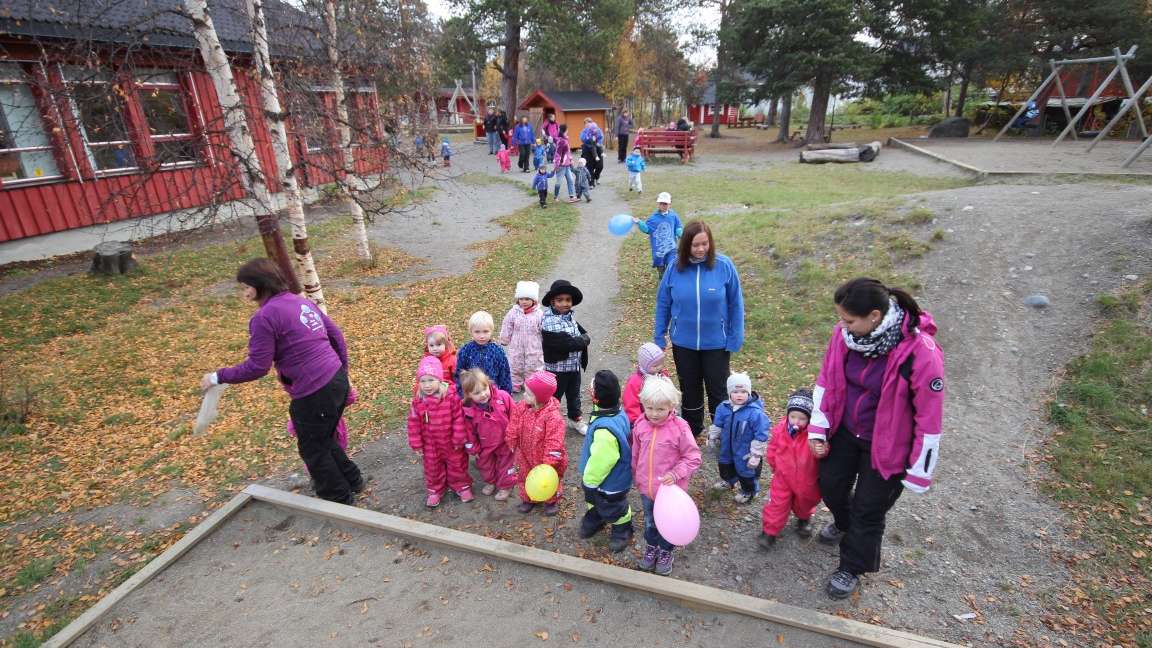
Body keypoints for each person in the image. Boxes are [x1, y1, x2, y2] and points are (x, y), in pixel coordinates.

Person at [808, 278, 945, 600]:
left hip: (887, 444)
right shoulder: (844, 336)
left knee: (869, 510)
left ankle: (852, 566)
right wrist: (819, 427)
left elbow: (929, 416)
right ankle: (845, 523)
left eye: (849, 320)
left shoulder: (921, 352)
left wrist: (920, 468)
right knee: (830, 484)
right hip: (845, 430)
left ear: (874, 316)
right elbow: (827, 380)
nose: (842, 326)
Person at [202, 259, 362, 505]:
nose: (245, 293)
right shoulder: (300, 302)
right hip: (335, 379)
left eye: (246, 287)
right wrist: (342, 372)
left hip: (314, 392)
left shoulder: (264, 317)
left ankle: (337, 498)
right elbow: (336, 336)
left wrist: (217, 376)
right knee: (323, 437)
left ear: (260, 285)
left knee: (313, 448)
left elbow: (258, 367)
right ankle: (353, 480)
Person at [653, 220, 744, 439]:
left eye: (705, 244)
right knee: (690, 388)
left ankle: (720, 431)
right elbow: (663, 303)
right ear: (686, 245)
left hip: (717, 343)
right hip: (683, 343)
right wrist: (659, 335)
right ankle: (692, 431)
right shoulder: (674, 268)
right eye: (695, 245)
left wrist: (735, 337)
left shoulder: (724, 266)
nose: (701, 249)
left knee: (717, 389)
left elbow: (736, 304)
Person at [631, 376, 701, 576]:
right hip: (647, 489)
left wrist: (676, 473)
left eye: (660, 409)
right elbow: (636, 453)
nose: (654, 414)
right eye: (650, 408)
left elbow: (693, 457)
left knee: (668, 523)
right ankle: (652, 547)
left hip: (670, 493)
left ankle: (665, 551)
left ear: (671, 406)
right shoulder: (640, 424)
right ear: (643, 404)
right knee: (650, 521)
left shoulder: (680, 428)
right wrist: (636, 475)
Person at [578, 370, 634, 553]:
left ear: (595, 398)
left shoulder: (604, 431)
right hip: (605, 480)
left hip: (609, 481)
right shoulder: (616, 412)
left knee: (614, 506)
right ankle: (597, 517)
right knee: (595, 501)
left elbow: (603, 461)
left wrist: (590, 482)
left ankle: (623, 529)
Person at [758, 389, 820, 549]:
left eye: (802, 418)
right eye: (793, 416)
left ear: (810, 418)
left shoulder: (814, 435)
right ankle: (769, 531)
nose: (796, 421)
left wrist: (822, 450)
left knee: (805, 501)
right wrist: (774, 465)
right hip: (783, 476)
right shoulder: (781, 429)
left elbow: (821, 454)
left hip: (807, 478)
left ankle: (804, 518)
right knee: (777, 503)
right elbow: (773, 448)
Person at [409, 357, 473, 507]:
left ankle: (461, 486)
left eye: (431, 380)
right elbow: (413, 422)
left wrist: (458, 438)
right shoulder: (418, 401)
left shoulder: (450, 397)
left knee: (457, 464)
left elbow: (459, 418)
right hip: (430, 444)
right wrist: (416, 443)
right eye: (423, 381)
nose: (427, 385)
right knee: (432, 467)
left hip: (451, 442)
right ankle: (435, 490)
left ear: (439, 379)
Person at [507, 371, 568, 516]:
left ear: (539, 398)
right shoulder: (522, 407)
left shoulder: (553, 417)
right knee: (524, 475)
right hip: (525, 453)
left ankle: (550, 500)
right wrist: (511, 439)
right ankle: (528, 498)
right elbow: (513, 423)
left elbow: (554, 442)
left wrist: (548, 464)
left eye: (528, 394)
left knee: (548, 480)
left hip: (544, 459)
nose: (523, 395)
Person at [707, 372, 769, 503]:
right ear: (729, 393)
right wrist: (713, 436)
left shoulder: (755, 413)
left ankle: (749, 491)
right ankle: (728, 480)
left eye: (743, 391)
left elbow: (761, 435)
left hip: (745, 452)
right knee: (725, 465)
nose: (739, 395)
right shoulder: (723, 408)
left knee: (747, 472)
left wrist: (756, 454)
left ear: (749, 392)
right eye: (735, 392)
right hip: (726, 447)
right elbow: (717, 424)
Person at [540, 279, 590, 435]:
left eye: (568, 300)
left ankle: (575, 418)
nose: (564, 304)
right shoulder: (549, 320)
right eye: (560, 300)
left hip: (573, 367)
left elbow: (582, 334)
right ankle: (548, 422)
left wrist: (582, 339)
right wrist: (583, 340)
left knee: (574, 395)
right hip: (557, 370)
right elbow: (566, 343)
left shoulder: (569, 317)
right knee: (554, 398)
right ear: (552, 302)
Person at [460, 368, 516, 501]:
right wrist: (473, 448)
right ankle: (491, 481)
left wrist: (514, 436)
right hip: (485, 445)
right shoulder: (468, 411)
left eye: (484, 388)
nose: (483, 394)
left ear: (488, 383)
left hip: (505, 441)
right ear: (468, 395)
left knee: (506, 464)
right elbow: (468, 432)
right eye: (477, 393)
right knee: (485, 465)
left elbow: (515, 416)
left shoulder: (503, 397)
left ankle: (505, 485)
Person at [499, 280, 544, 394]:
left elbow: (543, 329)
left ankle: (530, 384)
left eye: (527, 299)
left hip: (534, 346)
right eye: (521, 299)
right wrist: (505, 338)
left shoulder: (539, 314)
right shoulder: (514, 312)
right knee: (515, 365)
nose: (524, 302)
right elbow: (507, 325)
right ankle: (515, 384)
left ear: (534, 300)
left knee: (533, 365)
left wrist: (546, 343)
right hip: (516, 345)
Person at [455, 310, 513, 395]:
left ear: (491, 331)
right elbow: (459, 373)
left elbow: (504, 373)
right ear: (471, 332)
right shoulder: (466, 350)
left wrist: (506, 393)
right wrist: (462, 393)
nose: (481, 336)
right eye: (477, 332)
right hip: (473, 393)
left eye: (485, 331)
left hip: (494, 393)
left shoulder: (497, 351)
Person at [633, 192, 683, 282]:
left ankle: (670, 279)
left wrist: (680, 233)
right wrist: (640, 223)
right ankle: (662, 276)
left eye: (666, 203)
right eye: (661, 203)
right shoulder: (653, 218)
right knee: (660, 264)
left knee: (672, 263)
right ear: (658, 204)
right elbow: (647, 229)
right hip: (659, 249)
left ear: (670, 204)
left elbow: (678, 227)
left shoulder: (673, 216)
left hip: (671, 247)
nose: (663, 205)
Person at [622, 342, 666, 426]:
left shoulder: (662, 376)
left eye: (661, 363)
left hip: (663, 417)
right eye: (655, 365)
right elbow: (631, 406)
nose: (659, 367)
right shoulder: (635, 382)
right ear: (645, 365)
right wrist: (638, 423)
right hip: (644, 422)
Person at [417, 324, 457, 394]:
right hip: (429, 392)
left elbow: (458, 381)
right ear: (427, 346)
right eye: (431, 345)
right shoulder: (426, 361)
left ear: (446, 344)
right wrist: (418, 393)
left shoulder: (452, 360)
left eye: (438, 345)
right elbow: (421, 380)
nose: (435, 348)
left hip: (448, 393)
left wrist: (450, 390)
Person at [552, 125, 575, 202]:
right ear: (564, 130)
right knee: (559, 182)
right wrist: (556, 165)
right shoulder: (561, 141)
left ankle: (572, 196)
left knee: (570, 180)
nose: (568, 131)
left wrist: (571, 160)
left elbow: (568, 151)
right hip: (561, 166)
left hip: (567, 165)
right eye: (567, 129)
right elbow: (557, 154)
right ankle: (555, 197)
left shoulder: (566, 139)